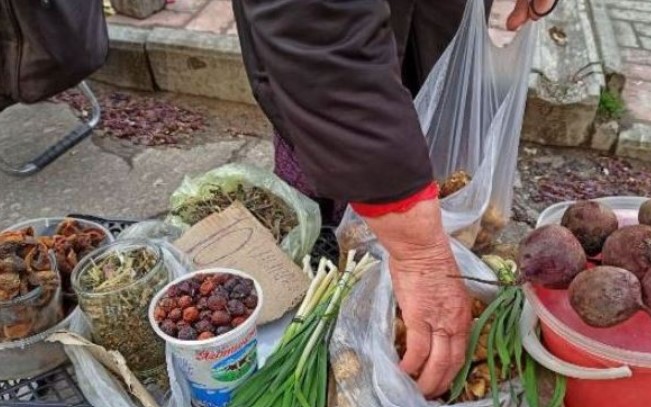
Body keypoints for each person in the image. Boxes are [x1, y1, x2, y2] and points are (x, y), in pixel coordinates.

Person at [232, 0, 556, 399]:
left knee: (421, 132)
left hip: (426, 27)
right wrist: (420, 251)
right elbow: (318, 32)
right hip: (327, 86)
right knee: (334, 227)